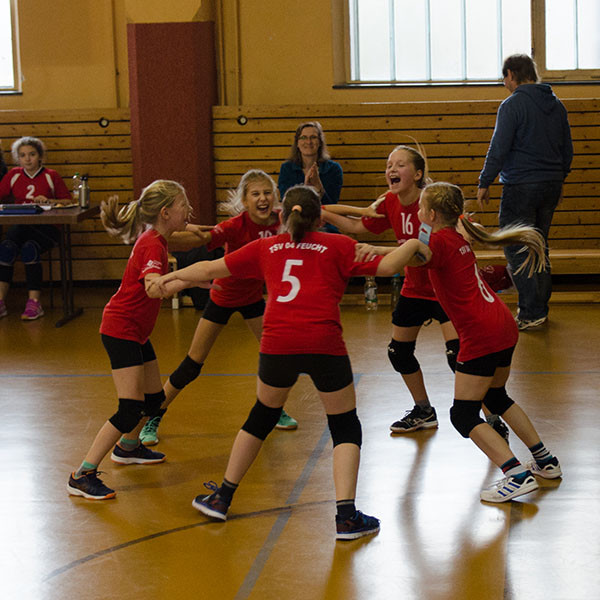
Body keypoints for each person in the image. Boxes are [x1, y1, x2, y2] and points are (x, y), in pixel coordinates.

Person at [147, 185, 428, 539]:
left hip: (278, 342)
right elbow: (388, 266)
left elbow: (208, 269)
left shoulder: (267, 247)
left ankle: (222, 496)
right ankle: (346, 517)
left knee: (261, 417)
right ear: (319, 218)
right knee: (344, 425)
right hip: (323, 342)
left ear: (283, 216)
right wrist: (414, 244)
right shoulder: (338, 245)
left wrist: (170, 280)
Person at [360, 181, 562, 503]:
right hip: (502, 323)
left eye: (422, 207)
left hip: (481, 333)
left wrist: (378, 254)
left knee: (463, 415)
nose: (418, 211)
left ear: (431, 213)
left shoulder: (435, 243)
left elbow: (403, 260)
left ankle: (516, 473)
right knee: (496, 398)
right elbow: (413, 252)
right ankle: (545, 460)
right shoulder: (455, 237)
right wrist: (382, 248)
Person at [320, 145, 509, 440]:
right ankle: (423, 410)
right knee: (399, 352)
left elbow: (464, 225)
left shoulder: (431, 202)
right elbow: (359, 225)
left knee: (457, 355)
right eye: (388, 165)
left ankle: (490, 416)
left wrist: (470, 228)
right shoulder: (389, 201)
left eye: (400, 165)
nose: (391, 170)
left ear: (418, 174)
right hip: (414, 288)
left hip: (443, 290)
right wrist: (324, 216)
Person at [67, 180, 205, 500]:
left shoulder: (157, 236)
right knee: (129, 409)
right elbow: (152, 287)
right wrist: (191, 279)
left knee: (154, 400)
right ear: (166, 212)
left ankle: (128, 447)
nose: (190, 210)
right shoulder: (152, 244)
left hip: (136, 331)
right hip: (121, 330)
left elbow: (187, 231)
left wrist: (202, 232)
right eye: (184, 205)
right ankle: (82, 474)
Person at [139, 170, 298, 446]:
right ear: (245, 201)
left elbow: (318, 211)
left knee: (275, 357)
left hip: (253, 299)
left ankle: (274, 408)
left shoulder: (282, 222)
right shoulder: (235, 225)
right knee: (192, 364)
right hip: (223, 296)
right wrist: (163, 236)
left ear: (275, 197)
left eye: (267, 193)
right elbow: (201, 239)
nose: (262, 199)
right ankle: (155, 414)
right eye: (255, 194)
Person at [477, 54, 573, 331]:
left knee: (518, 247)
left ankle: (531, 311)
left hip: (520, 185)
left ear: (511, 74)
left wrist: (485, 181)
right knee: (539, 246)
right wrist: (559, 178)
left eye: (504, 78)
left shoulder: (512, 105)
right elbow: (567, 149)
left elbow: (499, 148)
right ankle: (539, 307)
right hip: (551, 185)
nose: (504, 83)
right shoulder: (557, 105)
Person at [0, 136, 71, 320]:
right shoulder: (14, 175)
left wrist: (50, 200)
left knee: (30, 248)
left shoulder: (50, 175)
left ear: (40, 156)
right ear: (18, 158)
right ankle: (0, 301)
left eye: (32, 154)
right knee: (6, 248)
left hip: (47, 228)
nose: (28, 159)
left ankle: (34, 303)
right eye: (23, 155)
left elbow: (68, 200)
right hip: (22, 225)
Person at [278, 121, 343, 233]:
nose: (308, 141)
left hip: (324, 222)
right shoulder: (287, 168)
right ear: (297, 143)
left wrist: (319, 189)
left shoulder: (334, 169)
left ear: (320, 142)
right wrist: (305, 189)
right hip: (294, 223)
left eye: (313, 137)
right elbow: (287, 202)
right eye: (303, 137)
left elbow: (332, 205)